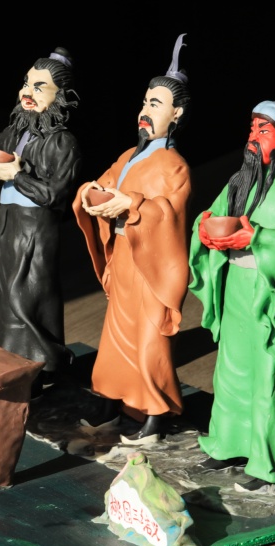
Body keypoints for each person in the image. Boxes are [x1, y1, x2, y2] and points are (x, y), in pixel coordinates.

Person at [187, 95, 275, 491]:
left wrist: (256, 237)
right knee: (230, 368)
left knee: (268, 374)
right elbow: (208, 216)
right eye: (252, 129)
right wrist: (205, 230)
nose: (253, 137)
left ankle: (268, 462)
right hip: (234, 286)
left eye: (263, 130)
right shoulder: (237, 185)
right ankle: (226, 442)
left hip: (266, 291)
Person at [72, 34, 191, 444]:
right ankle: (112, 398)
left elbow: (170, 213)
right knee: (114, 339)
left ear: (176, 113)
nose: (144, 112)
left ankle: (156, 411)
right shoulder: (128, 156)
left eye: (155, 104)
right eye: (144, 103)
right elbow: (102, 182)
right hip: (123, 256)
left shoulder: (175, 166)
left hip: (150, 265)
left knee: (149, 340)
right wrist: (90, 194)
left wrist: (133, 204)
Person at [0, 46, 82, 399]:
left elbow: (55, 195)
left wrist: (17, 176)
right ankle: (14, 360)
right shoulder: (11, 132)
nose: (27, 92)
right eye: (26, 84)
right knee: (8, 298)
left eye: (39, 87)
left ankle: (42, 363)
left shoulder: (63, 143)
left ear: (59, 96)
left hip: (37, 227)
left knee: (29, 295)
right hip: (7, 224)